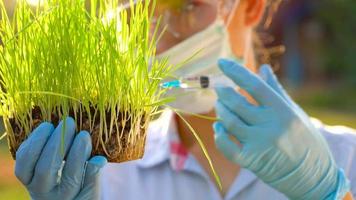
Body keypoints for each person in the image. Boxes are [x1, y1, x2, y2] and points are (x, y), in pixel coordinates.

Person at [14, 0, 356, 199]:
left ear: (251, 7)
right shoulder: (107, 176)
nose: (160, 38)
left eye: (187, 7)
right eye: (139, 16)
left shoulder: (346, 158)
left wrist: (328, 193)